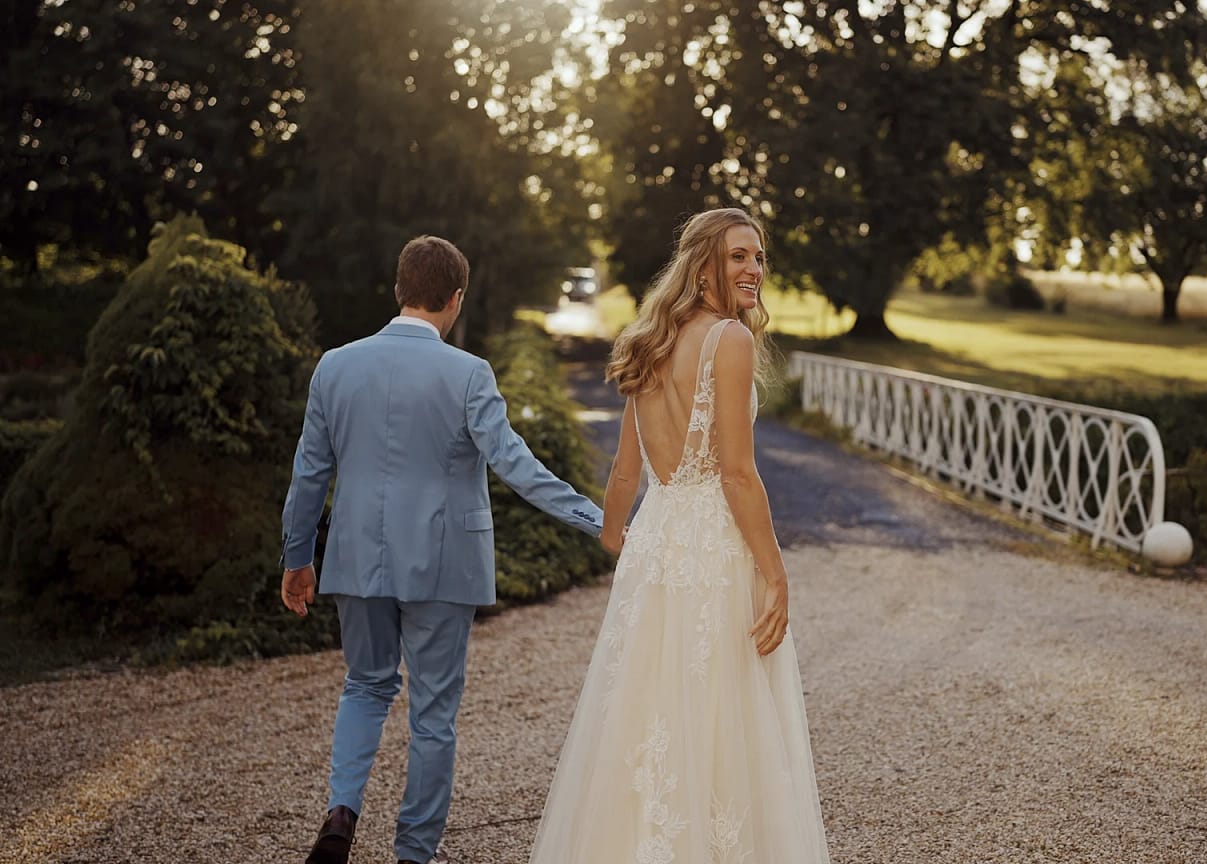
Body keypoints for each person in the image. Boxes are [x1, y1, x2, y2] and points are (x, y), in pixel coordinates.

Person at [279, 236, 609, 864]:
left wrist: (298, 558)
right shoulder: (468, 372)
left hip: (354, 557)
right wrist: (596, 520)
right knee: (433, 713)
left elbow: (309, 474)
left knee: (364, 685)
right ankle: (413, 853)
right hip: (443, 562)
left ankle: (342, 814)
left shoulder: (335, 366)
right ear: (456, 298)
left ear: (398, 289)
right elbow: (514, 463)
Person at [527, 208, 831, 863]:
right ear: (703, 265)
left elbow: (625, 471)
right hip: (713, 544)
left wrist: (617, 538)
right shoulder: (729, 340)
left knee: (647, 709)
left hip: (660, 536)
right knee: (719, 709)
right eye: (738, 257)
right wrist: (775, 573)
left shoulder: (649, 339)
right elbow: (738, 474)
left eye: (758, 257)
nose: (753, 269)